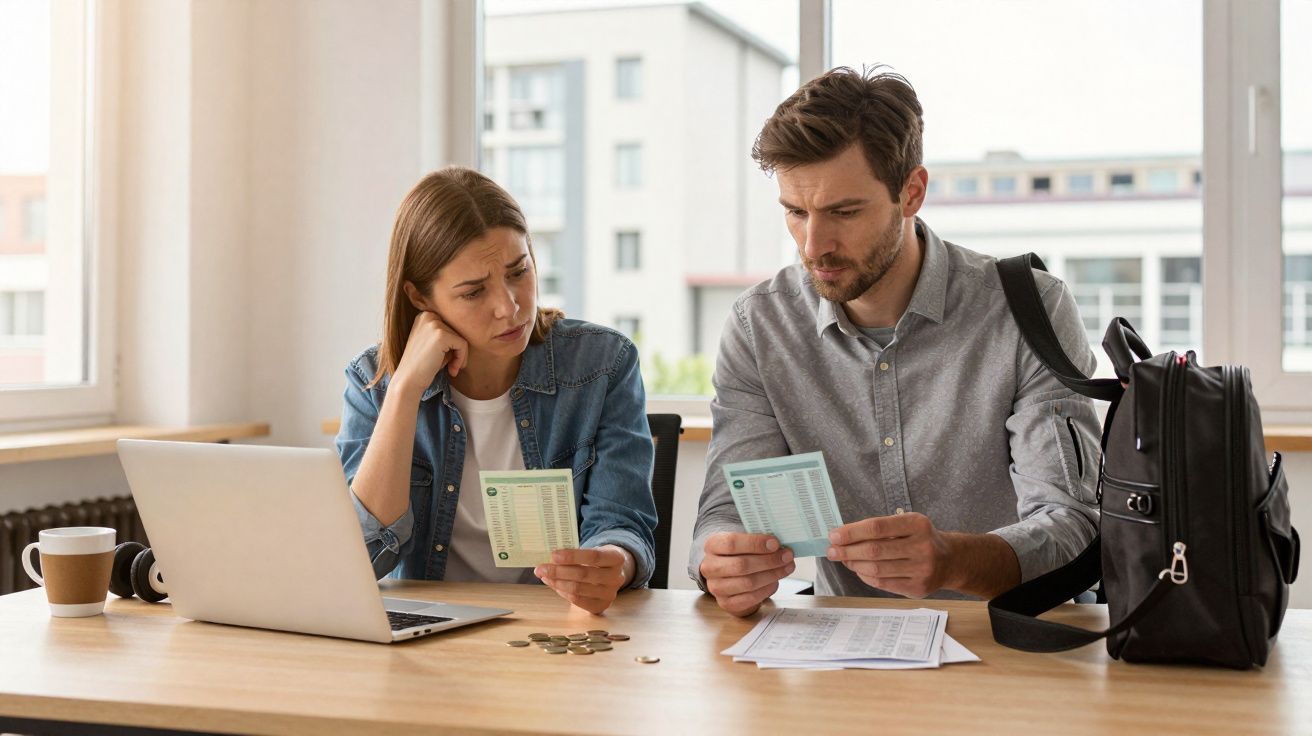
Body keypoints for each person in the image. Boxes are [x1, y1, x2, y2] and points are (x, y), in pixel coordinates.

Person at [690, 67, 1101, 616]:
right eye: (795, 212)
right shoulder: (759, 325)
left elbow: (1073, 525)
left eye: (843, 212)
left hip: (1012, 636)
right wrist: (719, 562)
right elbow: (723, 513)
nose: (813, 245)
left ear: (911, 193)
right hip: (843, 643)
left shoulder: (1029, 308)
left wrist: (955, 561)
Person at [337, 167, 658, 614]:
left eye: (518, 271)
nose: (509, 307)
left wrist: (614, 564)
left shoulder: (603, 364)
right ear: (420, 297)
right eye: (473, 292)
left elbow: (622, 526)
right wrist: (405, 390)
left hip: (553, 627)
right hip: (427, 630)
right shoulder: (372, 380)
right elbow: (360, 559)